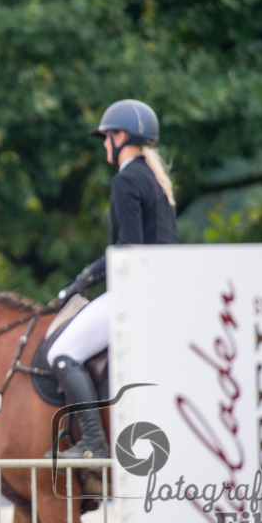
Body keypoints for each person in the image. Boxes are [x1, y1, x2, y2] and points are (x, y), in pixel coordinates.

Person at [48, 99, 178, 458]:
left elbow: (127, 249)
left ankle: (93, 442)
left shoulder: (126, 180)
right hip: (162, 293)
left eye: (107, 137)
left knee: (60, 352)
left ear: (120, 136)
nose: (105, 144)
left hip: (135, 295)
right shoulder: (156, 181)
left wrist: (82, 281)